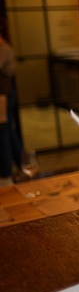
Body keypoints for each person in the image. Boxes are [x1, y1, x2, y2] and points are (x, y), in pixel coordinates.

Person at [0, 33, 22, 185]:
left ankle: (6, 175)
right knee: (8, 130)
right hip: (4, 95)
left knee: (2, 132)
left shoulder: (3, 48)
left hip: (3, 95)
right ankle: (23, 164)